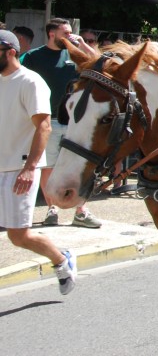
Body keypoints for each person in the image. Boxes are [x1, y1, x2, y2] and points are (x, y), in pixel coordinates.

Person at [0, 30, 77, 295]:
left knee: (19, 236)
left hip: (18, 168)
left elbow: (43, 126)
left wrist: (30, 168)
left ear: (10, 51)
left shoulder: (30, 82)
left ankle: (61, 259)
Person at [21, 17, 101, 228]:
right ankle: (52, 210)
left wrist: (82, 43)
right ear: (51, 33)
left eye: (70, 32)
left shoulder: (74, 54)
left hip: (76, 121)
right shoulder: (32, 57)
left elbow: (100, 62)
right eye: (65, 33)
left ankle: (81, 211)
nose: (69, 36)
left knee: (81, 165)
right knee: (49, 166)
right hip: (48, 120)